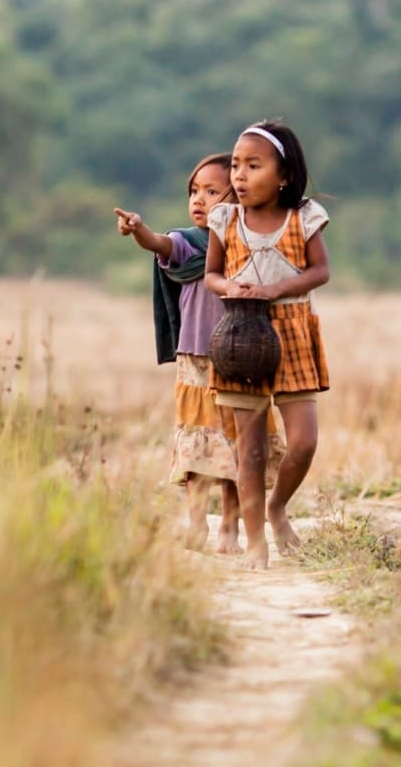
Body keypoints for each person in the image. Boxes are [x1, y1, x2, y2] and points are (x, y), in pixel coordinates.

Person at [115, 154, 284, 553]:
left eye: (211, 191)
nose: (199, 200)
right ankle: (195, 525)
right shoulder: (188, 244)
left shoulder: (247, 244)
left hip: (238, 358)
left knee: (233, 447)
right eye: (194, 191)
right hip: (196, 362)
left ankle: (229, 526)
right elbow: (158, 243)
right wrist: (139, 228)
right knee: (197, 451)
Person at [204, 120, 331, 570]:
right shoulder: (226, 219)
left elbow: (320, 271)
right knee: (250, 449)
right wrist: (231, 289)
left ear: (283, 176)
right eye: (236, 165)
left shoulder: (303, 217)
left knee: (303, 442)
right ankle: (255, 540)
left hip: (293, 332)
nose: (238, 175)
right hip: (241, 337)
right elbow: (212, 274)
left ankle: (277, 507)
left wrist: (278, 289)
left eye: (253, 166)